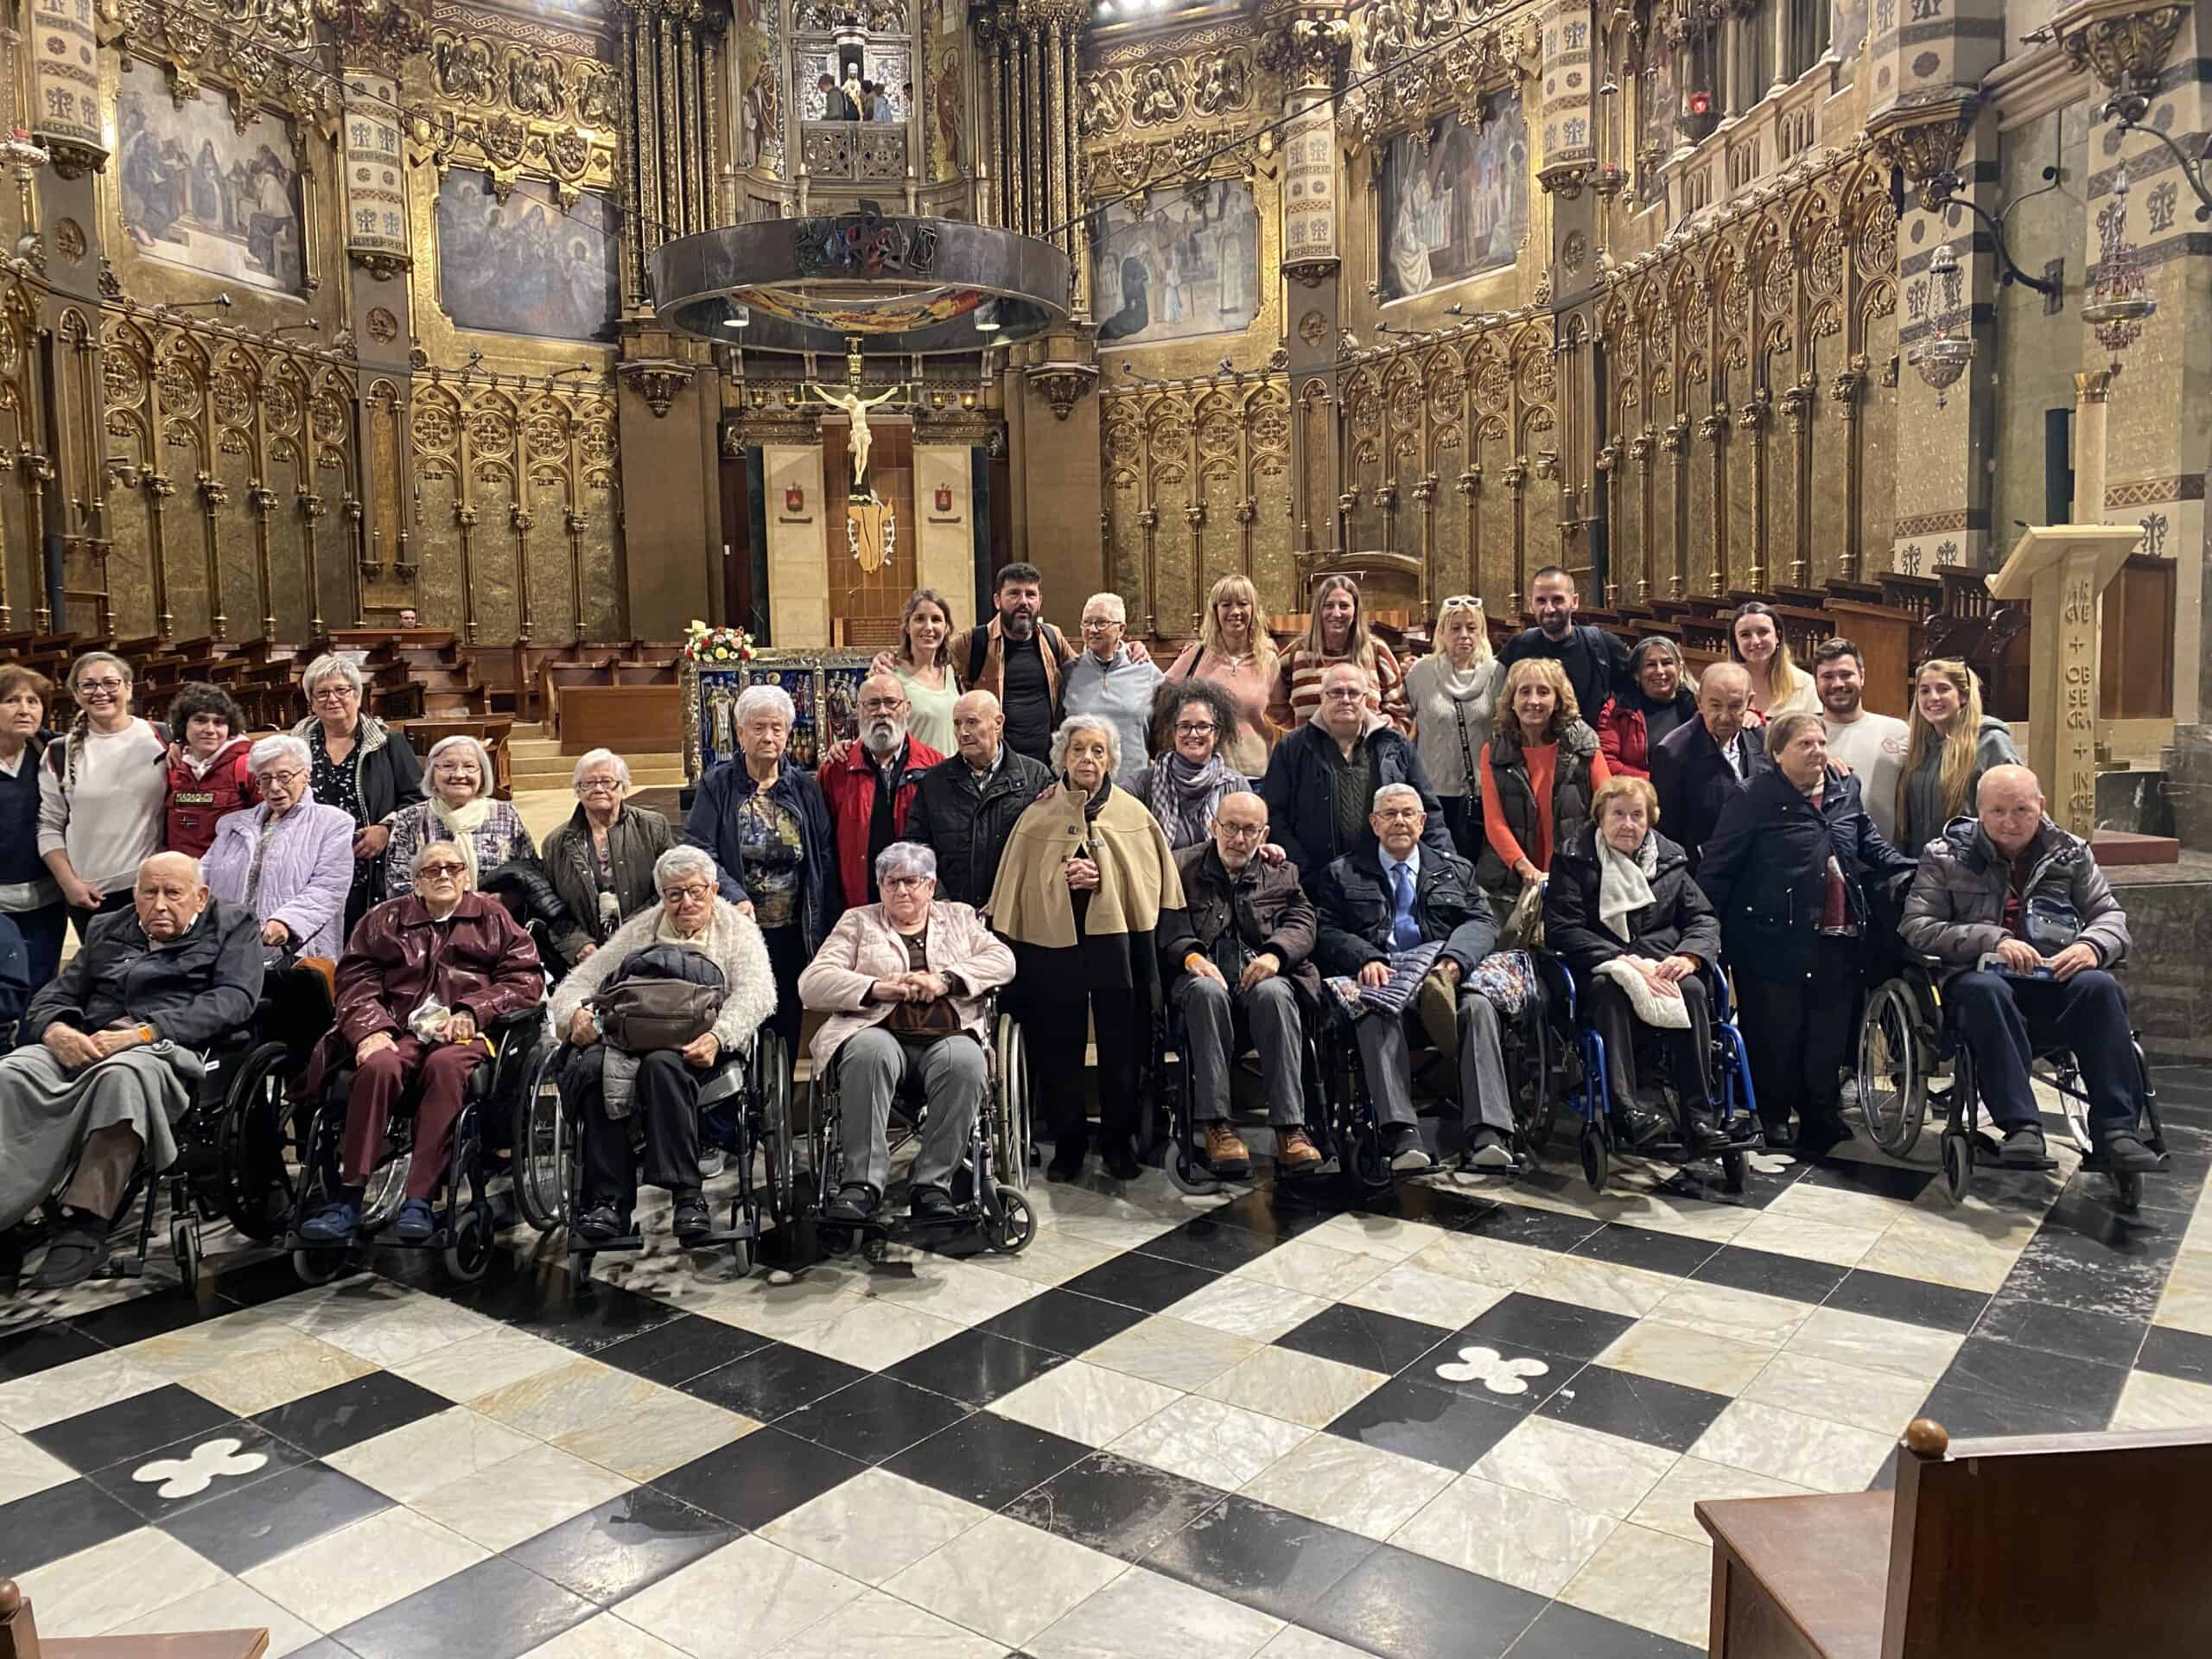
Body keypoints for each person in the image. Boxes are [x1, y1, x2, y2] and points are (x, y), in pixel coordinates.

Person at [0, 853, 264, 1288]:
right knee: (12, 1072)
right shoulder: (108, 927)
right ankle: (6, 1214)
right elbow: (55, 994)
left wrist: (145, 1033)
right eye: (149, 892)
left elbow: (234, 1001)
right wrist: (54, 1030)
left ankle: (85, 1222)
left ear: (200, 897)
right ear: (136, 895)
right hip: (90, 1039)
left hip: (168, 1047)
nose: (159, 904)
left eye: (172, 893)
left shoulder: (233, 926)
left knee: (121, 1077)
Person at [1899, 764, 2156, 1172]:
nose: (2010, 822)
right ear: (1978, 811)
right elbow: (1917, 927)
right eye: (1998, 811)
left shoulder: (2070, 853)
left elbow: (2109, 915)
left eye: (2021, 810)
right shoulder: (1945, 856)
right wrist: (1994, 939)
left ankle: (2116, 1133)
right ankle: (2021, 1127)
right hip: (1977, 985)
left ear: (2041, 806)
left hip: (2052, 982)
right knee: (1989, 990)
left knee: (2100, 987)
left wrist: (2092, 945)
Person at [298, 840, 543, 1244]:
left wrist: (473, 1010)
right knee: (378, 1066)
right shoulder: (383, 920)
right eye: (432, 870)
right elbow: (355, 982)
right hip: (399, 1029)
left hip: (468, 1033)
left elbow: (525, 980)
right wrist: (371, 1029)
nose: (444, 875)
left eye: (453, 868)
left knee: (445, 1067)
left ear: (467, 876)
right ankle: (348, 1196)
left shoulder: (493, 918)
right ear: (415, 882)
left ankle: (420, 1199)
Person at [1698, 713, 1914, 1151]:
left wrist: (1922, 871)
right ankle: (1774, 1115)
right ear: (1777, 753)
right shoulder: (1752, 797)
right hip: (1770, 938)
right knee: (1776, 1030)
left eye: (1821, 742)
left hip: (1839, 934)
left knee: (1828, 1030)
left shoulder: (1843, 791)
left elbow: (1869, 844)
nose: (1817, 751)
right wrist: (1706, 934)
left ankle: (1820, 1110)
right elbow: (1718, 869)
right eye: (1805, 744)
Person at [988, 714, 1183, 1183]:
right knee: (1057, 1043)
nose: (1088, 759)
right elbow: (1018, 883)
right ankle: (1069, 1145)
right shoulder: (1038, 813)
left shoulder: (1133, 815)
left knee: (1123, 1043)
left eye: (1098, 751)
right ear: (1063, 757)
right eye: (1078, 750)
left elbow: (1152, 884)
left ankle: (1119, 1142)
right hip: (1051, 945)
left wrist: (1103, 877)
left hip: (1118, 944)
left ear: (1112, 759)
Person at [551, 844, 775, 1241]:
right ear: (662, 896)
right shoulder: (642, 928)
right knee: (593, 1069)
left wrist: (718, 1037)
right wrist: (575, 1016)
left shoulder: (736, 930)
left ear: (712, 888)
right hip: (630, 1035)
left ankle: (688, 1196)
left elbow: (758, 994)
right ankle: (607, 1202)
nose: (685, 902)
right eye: (674, 894)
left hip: (701, 1043)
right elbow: (584, 980)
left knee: (663, 1065)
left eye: (695, 891)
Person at [799, 841, 1016, 1223]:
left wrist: (946, 980)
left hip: (947, 1033)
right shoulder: (857, 921)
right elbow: (812, 982)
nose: (901, 890)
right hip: (878, 1029)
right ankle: (861, 1184)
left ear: (931, 885)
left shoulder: (960, 918)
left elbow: (1003, 961)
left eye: (911, 881)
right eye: (890, 881)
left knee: (966, 1064)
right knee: (869, 1053)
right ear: (879, 886)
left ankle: (933, 1184)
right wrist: (875, 988)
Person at [1313, 783, 1516, 1169]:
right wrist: (1366, 957)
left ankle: (1489, 1131)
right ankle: (1402, 1134)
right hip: (1385, 976)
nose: (1400, 821)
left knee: (1479, 1006)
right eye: (1389, 814)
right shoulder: (1342, 873)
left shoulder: (1454, 869)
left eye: (1408, 813)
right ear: (1374, 823)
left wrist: (1455, 960)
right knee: (1372, 1007)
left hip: (1441, 979)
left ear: (1423, 822)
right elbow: (1325, 930)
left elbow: (1481, 921)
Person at [1544, 776, 1727, 1153]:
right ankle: (1627, 1111)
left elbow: (1703, 919)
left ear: (1650, 820)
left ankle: (1699, 1117)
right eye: (1619, 814)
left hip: (1662, 965)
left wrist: (1689, 956)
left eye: (1637, 815)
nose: (1628, 824)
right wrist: (1619, 960)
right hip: (1602, 965)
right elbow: (1562, 928)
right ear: (1600, 818)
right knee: (1611, 991)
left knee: (1692, 990)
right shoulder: (1574, 858)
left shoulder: (1670, 859)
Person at [1157, 791, 1322, 1177]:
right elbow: (1168, 923)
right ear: (1214, 826)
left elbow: (1304, 921)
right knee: (1204, 990)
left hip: (1259, 985)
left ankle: (1290, 1129)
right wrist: (1192, 956)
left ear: (1263, 835)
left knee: (1276, 991)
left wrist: (1276, 954)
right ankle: (1217, 1126)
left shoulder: (1281, 872)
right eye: (1230, 827)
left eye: (1250, 830)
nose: (1239, 838)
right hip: (1204, 986)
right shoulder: (1181, 866)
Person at [683, 682, 838, 1065]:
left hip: (792, 926)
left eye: (777, 728)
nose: (768, 737)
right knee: (738, 1008)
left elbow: (822, 854)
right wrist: (734, 895)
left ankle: (778, 1096)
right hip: (738, 925)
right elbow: (700, 849)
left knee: (786, 1008)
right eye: (758, 728)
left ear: (788, 732)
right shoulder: (717, 784)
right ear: (740, 733)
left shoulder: (805, 786)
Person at [1262, 662, 1450, 881]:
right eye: (1336, 692)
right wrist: (1302, 868)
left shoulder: (1394, 745)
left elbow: (1427, 810)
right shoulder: (1291, 748)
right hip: (1316, 881)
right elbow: (1274, 815)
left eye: (1353, 693)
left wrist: (1444, 866)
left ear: (1366, 698)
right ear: (1322, 697)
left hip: (1385, 879)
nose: (1345, 699)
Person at [39, 652, 169, 945]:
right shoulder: (59, 752)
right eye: (88, 685)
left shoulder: (162, 737)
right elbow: (49, 826)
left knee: (161, 983)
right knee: (108, 986)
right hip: (92, 895)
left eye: (110, 683)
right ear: (76, 694)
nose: (100, 692)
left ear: (129, 687)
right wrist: (69, 884)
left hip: (153, 888)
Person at [293, 652, 425, 932]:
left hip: (371, 866)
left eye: (341, 690)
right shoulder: (296, 747)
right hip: (312, 866)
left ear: (358, 694)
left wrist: (386, 828)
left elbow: (419, 799)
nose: (332, 699)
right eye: (322, 693)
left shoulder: (389, 743)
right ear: (311, 702)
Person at [202, 736, 357, 961]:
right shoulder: (233, 825)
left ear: (306, 775)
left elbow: (328, 887)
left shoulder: (333, 823)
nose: (274, 787)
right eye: (265, 778)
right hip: (227, 949)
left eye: (284, 776)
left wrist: (287, 921)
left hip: (294, 952)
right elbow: (202, 875)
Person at [1478, 657, 1611, 910]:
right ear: (1512, 701)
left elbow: (1606, 808)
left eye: (1544, 692)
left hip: (1575, 872)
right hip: (1513, 879)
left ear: (1558, 700)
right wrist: (1523, 867)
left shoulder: (1584, 745)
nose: (1534, 701)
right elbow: (1494, 822)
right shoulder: (1494, 751)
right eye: (1524, 692)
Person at [906, 690, 1053, 907]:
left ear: (998, 722)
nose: (963, 732)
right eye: (957, 724)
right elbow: (916, 846)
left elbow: (1049, 847)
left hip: (1016, 912)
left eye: (972, 722)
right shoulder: (934, 781)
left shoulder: (1035, 777)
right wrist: (938, 896)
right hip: (953, 912)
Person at [542, 749, 678, 969]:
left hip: (650, 946)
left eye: (606, 781)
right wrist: (578, 945)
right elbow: (551, 908)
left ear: (623, 787)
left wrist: (631, 935)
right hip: (587, 958)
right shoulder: (555, 843)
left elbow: (672, 888)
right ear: (578, 790)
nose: (598, 788)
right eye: (588, 783)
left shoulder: (653, 827)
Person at [819, 673, 943, 908]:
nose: (882, 712)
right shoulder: (836, 769)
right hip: (857, 904)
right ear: (858, 710)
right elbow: (824, 848)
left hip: (918, 905)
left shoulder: (935, 767)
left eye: (891, 702)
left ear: (907, 709)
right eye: (873, 703)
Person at [1406, 594, 1503, 862]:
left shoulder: (1497, 674)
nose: (1464, 635)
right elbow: (1403, 721)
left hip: (1480, 793)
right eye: (1455, 628)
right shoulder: (1420, 673)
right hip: (1432, 791)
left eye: (1471, 628)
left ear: (1481, 631)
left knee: (1475, 870)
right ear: (1441, 632)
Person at [1897, 658, 2021, 856]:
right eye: (1925, 690)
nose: (1933, 697)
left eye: (1943, 689)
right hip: (1923, 873)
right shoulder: (1918, 749)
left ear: (1963, 696)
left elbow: (2019, 811)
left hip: (1974, 874)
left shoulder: (1991, 742)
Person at [381, 734, 534, 894]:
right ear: (432, 774)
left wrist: (506, 900)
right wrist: (451, 906)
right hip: (430, 917)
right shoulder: (409, 818)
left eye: (469, 766)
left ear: (482, 773)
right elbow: (397, 885)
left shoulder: (505, 814)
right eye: (448, 766)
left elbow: (530, 873)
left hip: (497, 915)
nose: (459, 775)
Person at [1649, 661, 1764, 872]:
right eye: (1715, 706)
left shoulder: (1759, 738)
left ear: (1750, 701)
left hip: (1756, 867)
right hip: (1704, 872)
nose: (1724, 716)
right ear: (1699, 702)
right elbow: (1667, 834)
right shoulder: (1672, 753)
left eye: (1735, 706)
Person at [1165, 574, 1278, 775]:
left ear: (1253, 610)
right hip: (1204, 777)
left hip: (1257, 776)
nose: (1235, 611)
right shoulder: (1196, 655)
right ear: (1215, 611)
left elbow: (1283, 717)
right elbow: (1159, 701)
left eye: (1243, 603)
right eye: (1226, 604)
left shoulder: (1269, 661)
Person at [1266, 573, 1410, 731]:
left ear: (1355, 611)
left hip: (1364, 754)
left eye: (1344, 606)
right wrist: (1303, 729)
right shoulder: (1297, 653)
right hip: (1310, 753)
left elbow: (1403, 714)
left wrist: (1389, 723)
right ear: (1318, 611)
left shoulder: (1376, 651)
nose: (1336, 613)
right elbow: (1271, 704)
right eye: (1328, 606)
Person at [1497, 565, 1631, 728]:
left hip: (1592, 748)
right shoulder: (1518, 647)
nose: (1549, 609)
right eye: (1541, 600)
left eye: (1557, 600)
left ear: (1574, 602)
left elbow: (1631, 700)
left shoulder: (1605, 645)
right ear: (1531, 604)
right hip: (1533, 748)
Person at [0, 664, 64, 991]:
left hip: (46, 901)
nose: (25, 709)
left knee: (42, 987)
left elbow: (111, 736)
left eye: (33, 701)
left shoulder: (53, 750)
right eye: (12, 700)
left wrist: (176, 744)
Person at [1134, 679, 1253, 852]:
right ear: (1174, 732)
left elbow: (1249, 841)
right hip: (1162, 877)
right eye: (1185, 726)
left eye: (1203, 726)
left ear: (1217, 734)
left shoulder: (1236, 785)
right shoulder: (1144, 783)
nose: (1193, 734)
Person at [1813, 638, 1910, 845]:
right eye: (1827, 676)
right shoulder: (1803, 737)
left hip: (1885, 863)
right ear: (1816, 682)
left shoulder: (1898, 731)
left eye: (1846, 675)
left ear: (1862, 676)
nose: (1837, 684)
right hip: (1825, 865)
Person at [1061, 592, 1165, 785]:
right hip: (1082, 786)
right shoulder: (1069, 672)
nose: (1092, 629)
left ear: (1121, 629)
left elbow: (1163, 733)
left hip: (1134, 784)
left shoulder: (1147, 671)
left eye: (1101, 623)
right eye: (1086, 623)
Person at [162, 682, 259, 861]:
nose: (210, 730)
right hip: (181, 877)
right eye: (200, 720)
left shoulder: (248, 767)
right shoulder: (173, 766)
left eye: (219, 723)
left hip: (227, 876)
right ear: (184, 725)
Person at [1597, 636, 1698, 780]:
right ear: (1637, 674)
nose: (1660, 671)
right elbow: (1606, 761)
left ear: (1680, 669)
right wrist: (1654, 782)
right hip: (1635, 795)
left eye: (1667, 663)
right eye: (1650, 665)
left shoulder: (1698, 708)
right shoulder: (1616, 709)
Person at [891, 588, 961, 754]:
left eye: (936, 620)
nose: (928, 627)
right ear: (907, 627)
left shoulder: (952, 672)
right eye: (919, 619)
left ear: (947, 628)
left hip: (952, 775)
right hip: (916, 776)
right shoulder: (892, 675)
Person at [1731, 601, 1817, 719]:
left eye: (1763, 632)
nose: (1755, 641)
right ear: (1736, 642)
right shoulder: (1723, 684)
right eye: (1745, 635)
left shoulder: (1804, 684)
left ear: (1778, 636)